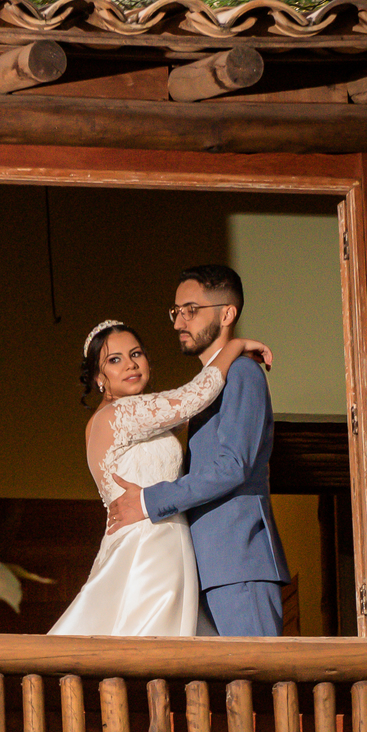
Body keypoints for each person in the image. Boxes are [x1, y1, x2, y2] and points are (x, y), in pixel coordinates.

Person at [49, 318, 271, 637]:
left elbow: (195, 410)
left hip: (167, 540)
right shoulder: (117, 415)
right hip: (148, 548)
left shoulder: (142, 417)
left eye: (135, 354)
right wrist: (234, 345)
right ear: (99, 377)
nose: (130, 364)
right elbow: (194, 396)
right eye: (114, 360)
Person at [105, 265, 290, 637]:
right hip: (204, 567)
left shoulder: (243, 374)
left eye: (190, 310)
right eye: (176, 312)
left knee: (256, 673)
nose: (178, 322)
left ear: (227, 314)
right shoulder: (209, 386)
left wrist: (148, 501)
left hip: (239, 564)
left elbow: (233, 465)